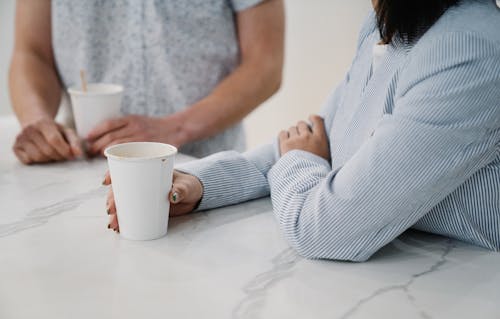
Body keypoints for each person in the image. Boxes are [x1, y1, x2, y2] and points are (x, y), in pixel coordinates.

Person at [105, 0, 500, 261]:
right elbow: (314, 140)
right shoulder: (385, 25)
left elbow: (326, 228)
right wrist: (194, 185)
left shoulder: (465, 49)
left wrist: (301, 158)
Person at [10, 0, 284, 164]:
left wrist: (176, 128)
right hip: (80, 164)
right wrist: (37, 122)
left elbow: (265, 64)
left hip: (202, 169)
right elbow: (32, 53)